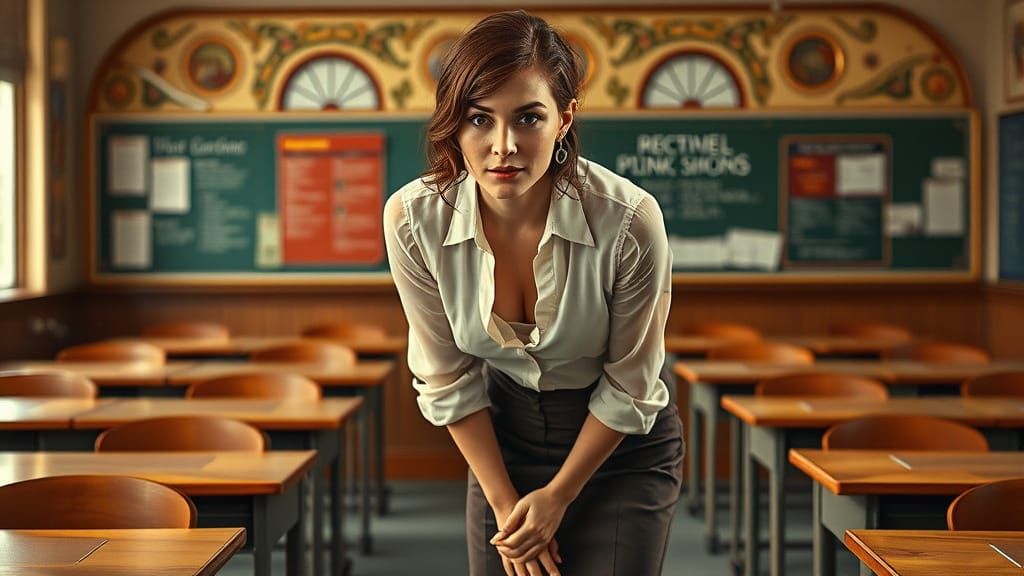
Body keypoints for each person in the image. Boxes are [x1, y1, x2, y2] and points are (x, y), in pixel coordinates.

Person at [384, 10, 682, 576]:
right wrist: (505, 503)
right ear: (455, 123)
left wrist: (558, 496)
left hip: (619, 447)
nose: (503, 146)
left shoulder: (629, 220)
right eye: (479, 119)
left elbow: (630, 385)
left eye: (528, 118)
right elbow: (446, 378)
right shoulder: (413, 219)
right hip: (501, 444)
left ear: (564, 119)